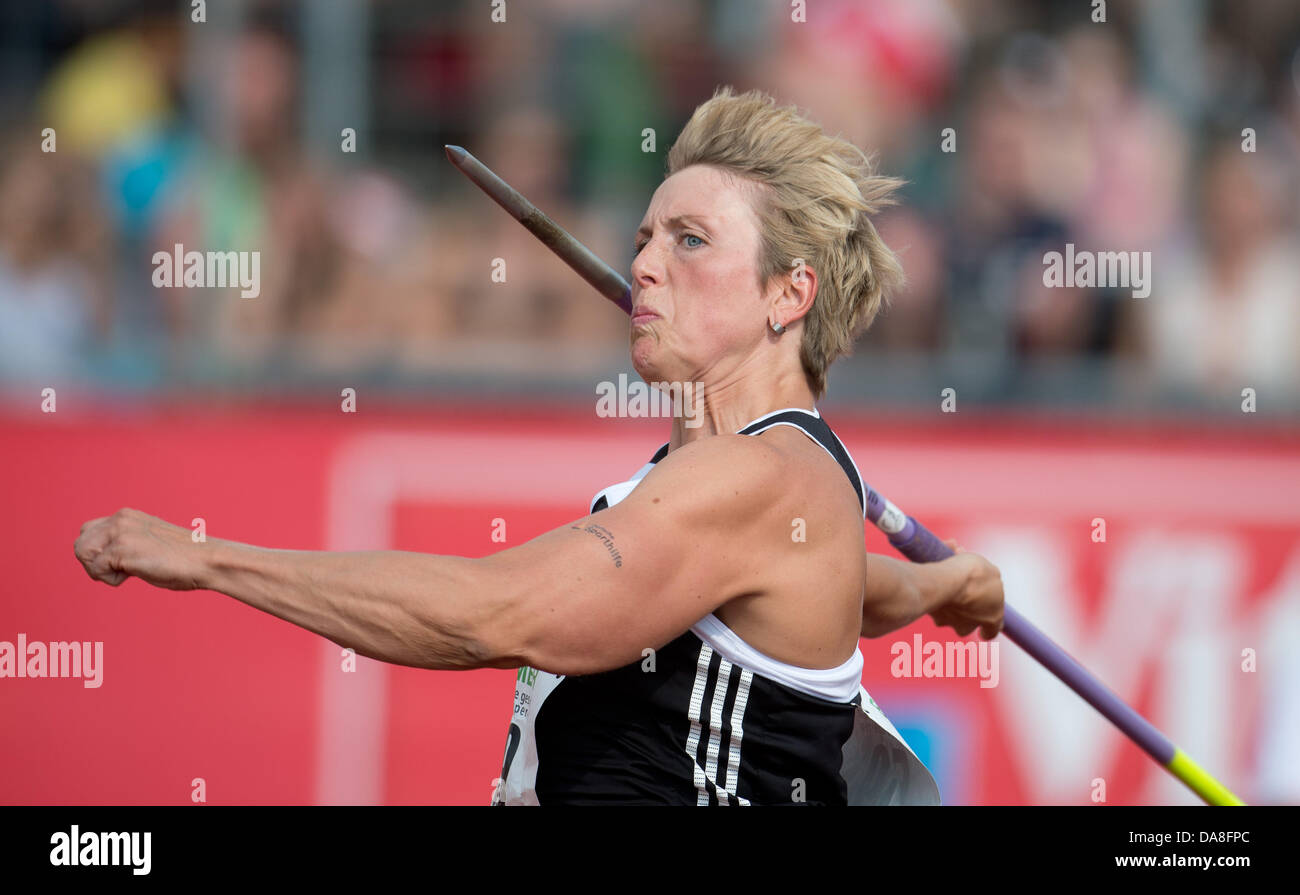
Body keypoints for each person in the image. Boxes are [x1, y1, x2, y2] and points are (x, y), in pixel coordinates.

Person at [74, 87, 1004, 805]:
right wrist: (938, 585)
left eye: (690, 241)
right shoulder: (776, 490)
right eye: (644, 238)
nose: (643, 263)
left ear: (787, 295)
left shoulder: (755, 476)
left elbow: (493, 613)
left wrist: (207, 558)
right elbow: (838, 590)